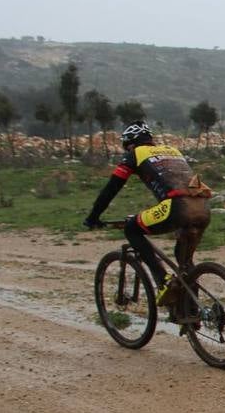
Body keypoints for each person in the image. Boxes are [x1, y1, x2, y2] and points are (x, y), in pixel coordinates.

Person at [83, 122, 212, 316]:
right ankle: (192, 312)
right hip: (202, 208)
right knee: (184, 262)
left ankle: (163, 280)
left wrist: (93, 217)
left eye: (127, 147)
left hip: (176, 207)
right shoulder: (173, 150)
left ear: (131, 144)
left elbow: (111, 189)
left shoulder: (135, 154)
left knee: (132, 229)